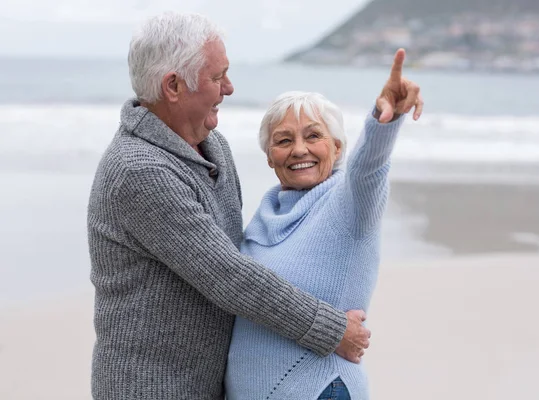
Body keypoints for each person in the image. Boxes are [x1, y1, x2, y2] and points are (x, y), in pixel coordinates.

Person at [87, 12, 371, 399]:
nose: (230, 87)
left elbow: (241, 250)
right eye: (217, 76)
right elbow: (227, 275)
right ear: (174, 86)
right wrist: (331, 329)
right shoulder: (138, 171)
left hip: (210, 385)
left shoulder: (212, 145)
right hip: (152, 388)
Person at [224, 49, 423, 399]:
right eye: (284, 140)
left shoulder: (348, 204)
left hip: (320, 390)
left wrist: (383, 120)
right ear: (270, 157)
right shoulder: (264, 216)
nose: (299, 149)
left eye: (313, 136)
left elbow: (369, 168)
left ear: (337, 146)